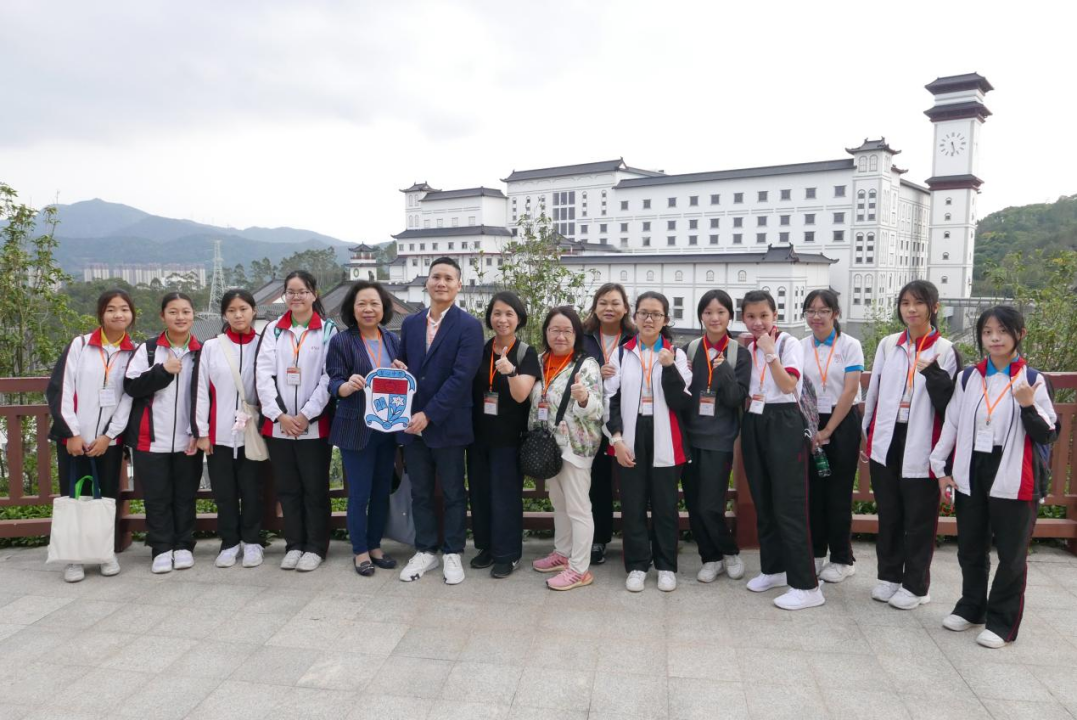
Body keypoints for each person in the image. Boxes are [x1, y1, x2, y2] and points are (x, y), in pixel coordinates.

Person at [932, 306, 1057, 648]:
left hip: (1016, 471)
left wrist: (1028, 404)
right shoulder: (969, 377)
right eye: (987, 332)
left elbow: (1048, 433)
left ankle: (1002, 622)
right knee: (971, 546)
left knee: (1012, 555)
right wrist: (940, 467)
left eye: (1002, 331)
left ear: (1020, 334)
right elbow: (952, 423)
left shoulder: (1033, 379)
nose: (995, 338)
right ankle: (971, 607)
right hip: (973, 467)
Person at [863, 280, 958, 609]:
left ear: (934, 308)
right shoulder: (889, 344)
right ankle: (889, 576)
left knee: (919, 518)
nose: (911, 309)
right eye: (905, 303)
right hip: (887, 437)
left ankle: (916, 585)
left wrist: (934, 376)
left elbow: (951, 407)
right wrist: (868, 433)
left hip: (923, 440)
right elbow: (874, 391)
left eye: (919, 303)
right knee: (889, 512)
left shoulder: (945, 350)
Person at [393, 257, 484, 584]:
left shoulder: (469, 326)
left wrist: (429, 414)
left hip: (448, 423)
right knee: (420, 492)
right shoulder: (411, 323)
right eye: (436, 277)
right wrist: (398, 369)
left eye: (448, 278)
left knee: (454, 491)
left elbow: (461, 377)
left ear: (459, 285)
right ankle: (425, 549)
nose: (441, 283)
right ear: (427, 282)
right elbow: (405, 364)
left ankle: (453, 551)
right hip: (412, 424)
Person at [740, 290, 823, 610]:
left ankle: (807, 586)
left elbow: (788, 385)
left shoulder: (788, 344)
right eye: (750, 316)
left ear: (775, 315)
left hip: (784, 421)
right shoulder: (748, 347)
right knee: (763, 499)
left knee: (790, 504)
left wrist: (770, 353)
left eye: (763, 315)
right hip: (755, 419)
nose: (757, 322)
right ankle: (773, 569)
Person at [46, 289, 137, 583]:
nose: (118, 314)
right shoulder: (81, 345)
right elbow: (61, 389)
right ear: (101, 314)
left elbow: (128, 398)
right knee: (74, 495)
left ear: (132, 314)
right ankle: (73, 557)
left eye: (124, 309)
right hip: (74, 440)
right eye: (111, 309)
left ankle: (104, 553)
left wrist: (109, 436)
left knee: (106, 496)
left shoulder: (133, 353)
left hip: (108, 441)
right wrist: (72, 433)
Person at [606, 291, 693, 593]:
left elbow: (681, 401)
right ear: (634, 316)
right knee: (632, 504)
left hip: (665, 435)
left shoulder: (677, 355)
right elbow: (610, 400)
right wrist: (616, 439)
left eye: (656, 314)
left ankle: (666, 565)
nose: (649, 319)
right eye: (643, 312)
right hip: (630, 434)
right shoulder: (621, 353)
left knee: (665, 504)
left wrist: (668, 367)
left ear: (666, 319)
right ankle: (637, 565)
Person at [256, 271, 338, 572]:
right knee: (288, 488)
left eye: (302, 291)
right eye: (290, 292)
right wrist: (280, 415)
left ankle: (316, 546)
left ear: (314, 294)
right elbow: (263, 374)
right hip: (279, 425)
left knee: (315, 489)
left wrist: (305, 415)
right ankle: (294, 544)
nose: (296, 297)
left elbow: (329, 377)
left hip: (313, 425)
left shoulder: (327, 331)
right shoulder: (273, 329)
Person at [124, 292, 204, 574]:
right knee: (156, 497)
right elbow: (131, 387)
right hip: (150, 438)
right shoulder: (148, 350)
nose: (180, 317)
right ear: (162, 316)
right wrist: (163, 371)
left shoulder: (202, 351)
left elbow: (207, 394)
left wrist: (199, 430)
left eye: (185, 311)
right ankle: (161, 548)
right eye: (173, 312)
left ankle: (183, 545)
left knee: (185, 495)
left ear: (193, 315)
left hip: (188, 438)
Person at [326, 280, 402, 576]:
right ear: (352, 308)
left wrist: (401, 373)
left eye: (374, 304)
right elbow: (333, 379)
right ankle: (359, 551)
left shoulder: (392, 339)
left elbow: (399, 381)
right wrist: (345, 386)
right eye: (362, 304)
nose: (368, 309)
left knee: (382, 491)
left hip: (387, 426)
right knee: (359, 494)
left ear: (384, 308)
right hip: (355, 427)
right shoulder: (342, 341)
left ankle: (375, 545)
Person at [530, 307, 604, 590]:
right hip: (548, 445)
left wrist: (584, 398)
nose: (560, 336)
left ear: (576, 334)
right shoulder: (539, 361)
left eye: (567, 331)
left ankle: (579, 569)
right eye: (554, 330)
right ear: (546, 332)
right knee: (558, 502)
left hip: (575, 446)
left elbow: (597, 411)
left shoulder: (586, 365)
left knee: (578, 507)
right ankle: (562, 553)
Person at [468, 291, 540, 578]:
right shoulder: (480, 350)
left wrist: (510, 372)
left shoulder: (526, 353)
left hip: (509, 439)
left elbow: (522, 395)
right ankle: (487, 547)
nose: (502, 319)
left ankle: (508, 554)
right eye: (497, 313)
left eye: (509, 314)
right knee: (480, 494)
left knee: (506, 497)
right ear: (489, 317)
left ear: (519, 318)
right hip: (477, 437)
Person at [681, 289, 749, 584]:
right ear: (701, 316)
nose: (714, 318)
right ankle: (710, 558)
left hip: (719, 438)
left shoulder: (738, 354)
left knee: (710, 504)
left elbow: (735, 399)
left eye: (721, 312)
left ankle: (729, 552)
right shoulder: (689, 350)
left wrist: (724, 373)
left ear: (730, 316)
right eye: (708, 312)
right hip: (689, 437)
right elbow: (679, 393)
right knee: (694, 504)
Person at [195, 288, 265, 570]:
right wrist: (202, 432)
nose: (238, 315)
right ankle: (229, 543)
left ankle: (253, 541)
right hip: (220, 432)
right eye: (232, 310)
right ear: (224, 314)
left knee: (252, 490)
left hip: (254, 432)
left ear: (254, 311)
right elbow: (201, 391)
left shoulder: (263, 344)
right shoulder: (212, 347)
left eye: (243, 309)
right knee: (224, 492)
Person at [800, 289, 864, 584]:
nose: (816, 316)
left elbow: (850, 391)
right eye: (811, 310)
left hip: (842, 421)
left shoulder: (850, 345)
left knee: (838, 492)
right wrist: (812, 427)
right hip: (809, 421)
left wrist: (827, 430)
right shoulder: (800, 346)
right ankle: (815, 553)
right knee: (813, 492)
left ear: (835, 314)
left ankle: (842, 558)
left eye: (823, 310)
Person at [580, 283, 635, 566]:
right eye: (603, 303)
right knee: (597, 483)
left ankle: (637, 541)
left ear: (625, 308)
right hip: (590, 421)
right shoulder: (583, 336)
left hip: (626, 419)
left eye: (615, 303)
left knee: (633, 482)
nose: (609, 308)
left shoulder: (635, 337)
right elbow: (570, 369)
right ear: (595, 307)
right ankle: (598, 539)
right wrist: (594, 374)